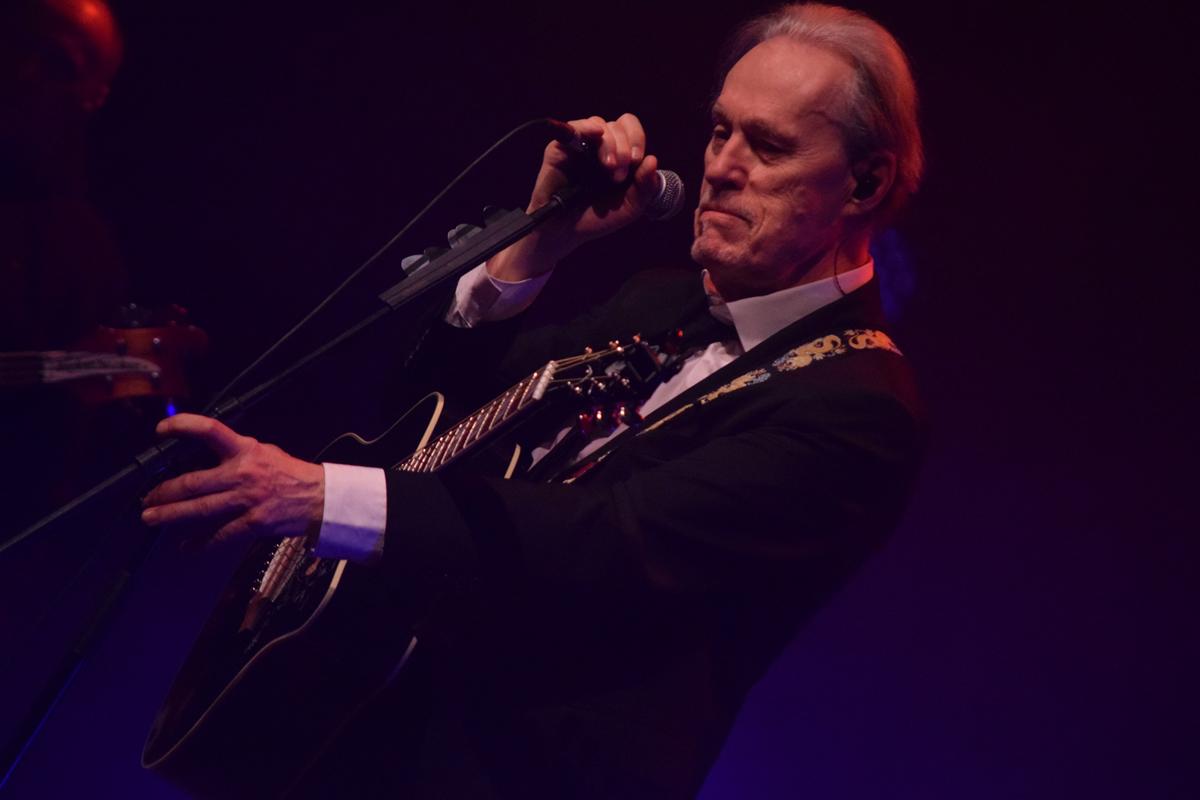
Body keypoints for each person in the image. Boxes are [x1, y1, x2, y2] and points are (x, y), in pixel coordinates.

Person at [141, 3, 925, 797]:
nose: (722, 166)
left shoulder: (857, 409)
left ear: (864, 182)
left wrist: (321, 496)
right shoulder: (661, 299)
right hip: (369, 729)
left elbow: (612, 540)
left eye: (769, 146)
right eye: (721, 131)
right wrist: (535, 244)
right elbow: (428, 418)